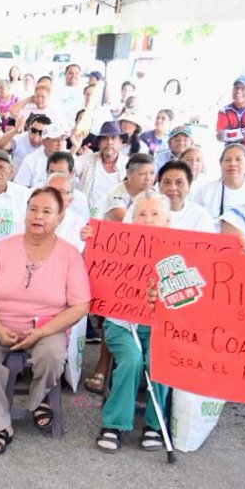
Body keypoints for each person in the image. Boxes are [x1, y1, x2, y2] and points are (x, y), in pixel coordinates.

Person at [0, 187, 91, 454]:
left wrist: (42, 332)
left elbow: (81, 305)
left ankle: (37, 401)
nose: (38, 216)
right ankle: (1, 425)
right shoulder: (4, 247)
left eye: (47, 211)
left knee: (52, 356)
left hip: (48, 327)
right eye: (33, 209)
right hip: (2, 322)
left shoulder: (70, 254)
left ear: (60, 217)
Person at [84, 191, 171, 454]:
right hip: (122, 324)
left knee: (158, 362)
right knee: (132, 360)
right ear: (132, 219)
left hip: (161, 327)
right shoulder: (120, 245)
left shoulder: (180, 248)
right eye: (141, 214)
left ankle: (155, 425)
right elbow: (94, 271)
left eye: (154, 214)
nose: (147, 220)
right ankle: (114, 424)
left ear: (167, 220)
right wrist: (91, 242)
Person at [190, 143, 245, 224]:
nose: (232, 164)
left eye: (238, 159)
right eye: (227, 160)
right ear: (221, 164)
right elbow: (194, 221)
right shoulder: (205, 191)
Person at [76, 121, 128, 214]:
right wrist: (75, 147)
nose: (109, 142)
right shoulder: (87, 160)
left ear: (121, 142)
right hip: (86, 219)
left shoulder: (128, 166)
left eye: (113, 138)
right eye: (105, 138)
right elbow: (68, 169)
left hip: (117, 222)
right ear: (99, 143)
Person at [152, 160, 216, 232]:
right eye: (167, 182)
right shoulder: (145, 212)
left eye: (179, 182)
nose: (172, 188)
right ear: (159, 185)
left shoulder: (201, 217)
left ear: (189, 186)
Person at [102, 153, 156, 222]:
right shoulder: (116, 193)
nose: (148, 178)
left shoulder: (155, 193)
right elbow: (127, 221)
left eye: (152, 173)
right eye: (142, 173)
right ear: (129, 174)